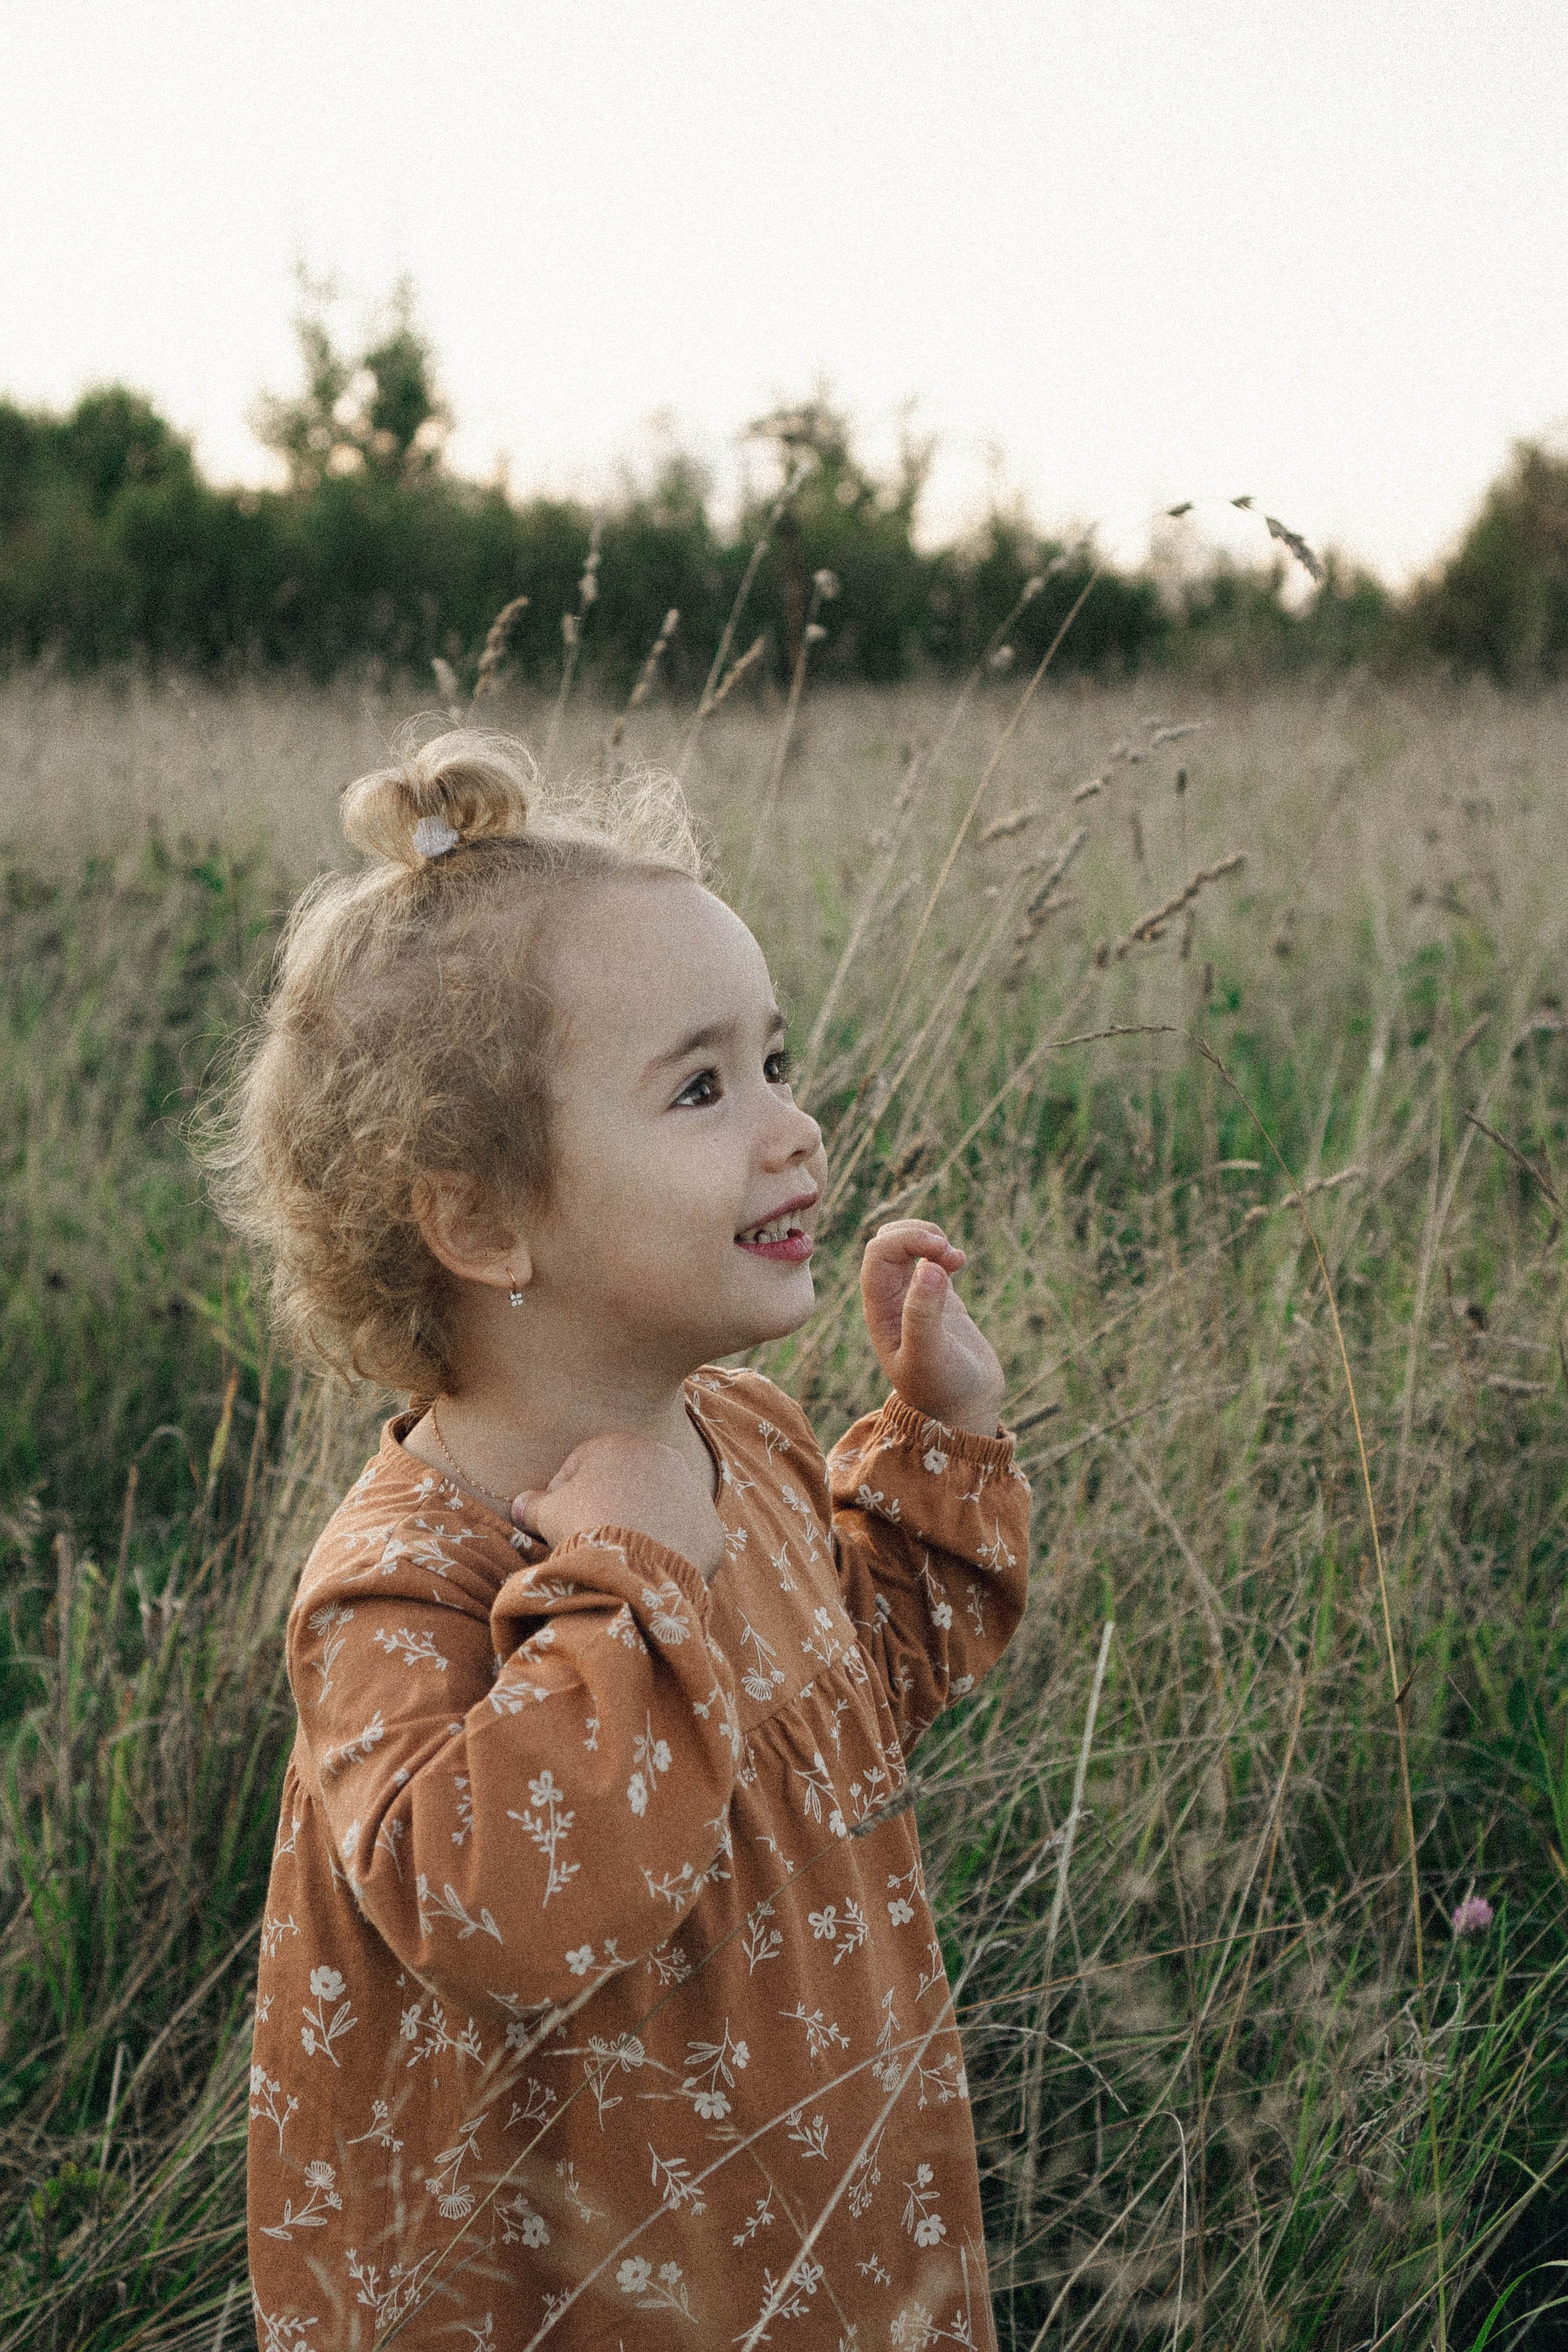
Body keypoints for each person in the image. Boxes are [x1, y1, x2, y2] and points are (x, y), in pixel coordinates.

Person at [219, 727, 1033, 2350]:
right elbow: (505, 1914)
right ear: (483, 1221)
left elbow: (848, 1700)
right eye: (702, 1086)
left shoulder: (746, 1437)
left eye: (778, 1061)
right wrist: (627, 1585)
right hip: (578, 2277)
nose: (793, 1130)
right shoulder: (407, 1580)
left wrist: (941, 1450)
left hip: (823, 2211)